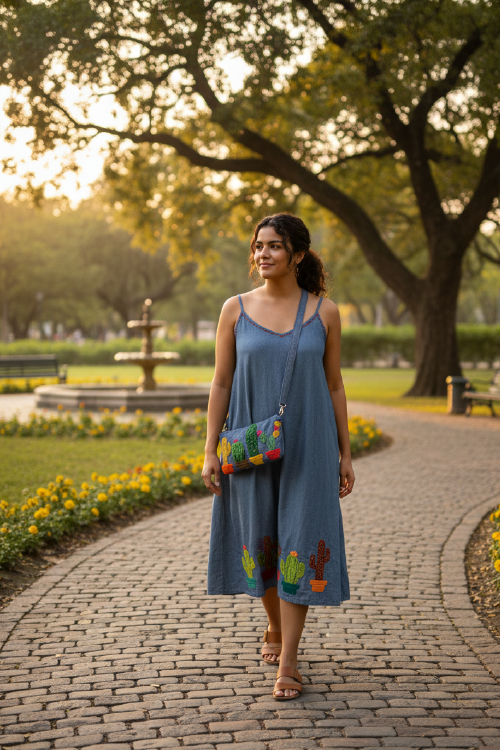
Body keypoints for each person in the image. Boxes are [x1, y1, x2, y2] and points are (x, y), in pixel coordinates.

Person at [202, 213, 354, 700]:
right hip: (250, 443)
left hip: (310, 445)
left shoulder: (324, 312)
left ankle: (288, 660)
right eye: (258, 246)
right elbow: (221, 381)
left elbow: (334, 384)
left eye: (273, 246)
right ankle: (273, 624)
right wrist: (209, 449)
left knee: (300, 540)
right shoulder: (235, 309)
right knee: (261, 544)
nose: (262, 254)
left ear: (298, 254)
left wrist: (346, 453)